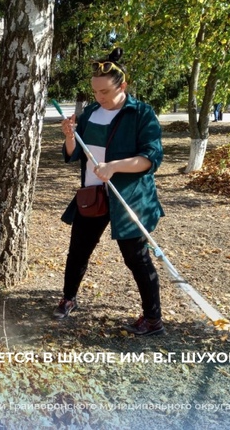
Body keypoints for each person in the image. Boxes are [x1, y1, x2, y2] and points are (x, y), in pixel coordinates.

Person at [56, 48, 165, 336]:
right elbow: (75, 153)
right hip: (92, 194)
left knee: (136, 257)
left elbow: (151, 158)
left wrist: (114, 166)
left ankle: (153, 318)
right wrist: (69, 136)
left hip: (127, 198)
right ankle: (68, 299)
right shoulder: (91, 112)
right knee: (78, 250)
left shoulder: (141, 113)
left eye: (105, 91)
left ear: (123, 87)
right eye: (95, 92)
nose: (99, 98)